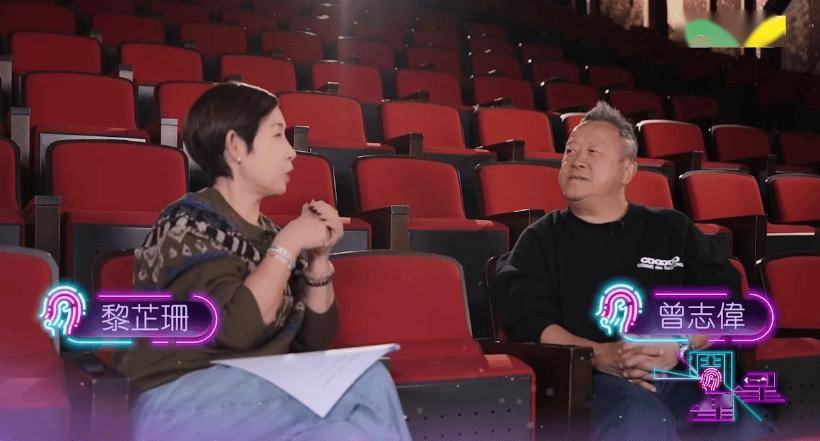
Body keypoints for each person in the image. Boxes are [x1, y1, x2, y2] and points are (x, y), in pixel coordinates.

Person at [114, 82, 412, 441]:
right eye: (277, 135)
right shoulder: (186, 222)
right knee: (367, 382)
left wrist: (318, 260)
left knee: (342, 434)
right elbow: (237, 330)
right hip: (177, 400)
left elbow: (313, 341)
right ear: (236, 147)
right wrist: (289, 243)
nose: (291, 152)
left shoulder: (269, 234)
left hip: (257, 397)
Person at [494, 101, 773, 440]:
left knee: (746, 422)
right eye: (570, 150)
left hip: (679, 371)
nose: (576, 160)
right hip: (591, 381)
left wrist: (678, 343)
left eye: (593, 151)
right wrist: (600, 355)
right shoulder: (540, 238)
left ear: (627, 170)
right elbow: (529, 322)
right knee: (641, 423)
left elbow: (724, 303)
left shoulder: (673, 229)